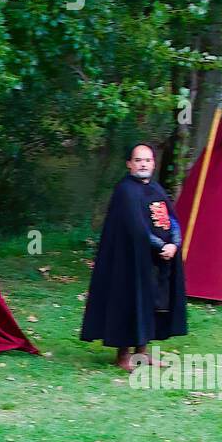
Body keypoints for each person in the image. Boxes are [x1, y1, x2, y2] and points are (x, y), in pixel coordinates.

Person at [81, 143, 188, 371]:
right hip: (130, 261)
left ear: (153, 163)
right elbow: (135, 227)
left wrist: (175, 243)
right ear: (129, 164)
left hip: (156, 261)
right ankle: (123, 356)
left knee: (151, 303)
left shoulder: (157, 189)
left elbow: (172, 218)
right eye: (138, 160)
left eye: (147, 160)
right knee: (129, 303)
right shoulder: (125, 191)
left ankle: (142, 353)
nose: (143, 164)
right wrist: (161, 245)